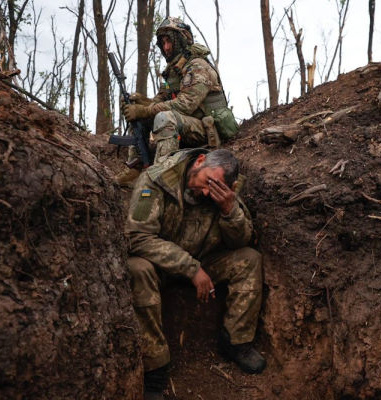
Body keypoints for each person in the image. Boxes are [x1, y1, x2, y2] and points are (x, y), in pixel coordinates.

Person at [125, 148, 266, 400]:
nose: (205, 192)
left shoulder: (225, 192)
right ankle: (154, 366)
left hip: (205, 259)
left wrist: (228, 209)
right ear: (200, 161)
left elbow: (240, 242)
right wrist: (190, 268)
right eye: (206, 182)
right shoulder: (158, 179)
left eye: (215, 189)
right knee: (137, 268)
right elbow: (136, 236)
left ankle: (236, 341)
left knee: (249, 259)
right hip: (161, 265)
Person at [117, 17, 238, 186]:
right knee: (141, 117)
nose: (166, 47)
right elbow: (161, 99)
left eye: (170, 41)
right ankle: (135, 169)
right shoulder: (173, 70)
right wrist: (140, 102)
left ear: (182, 40)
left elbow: (185, 105)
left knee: (165, 117)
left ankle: (160, 177)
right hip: (185, 125)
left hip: (207, 129)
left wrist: (144, 110)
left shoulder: (197, 66)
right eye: (163, 43)